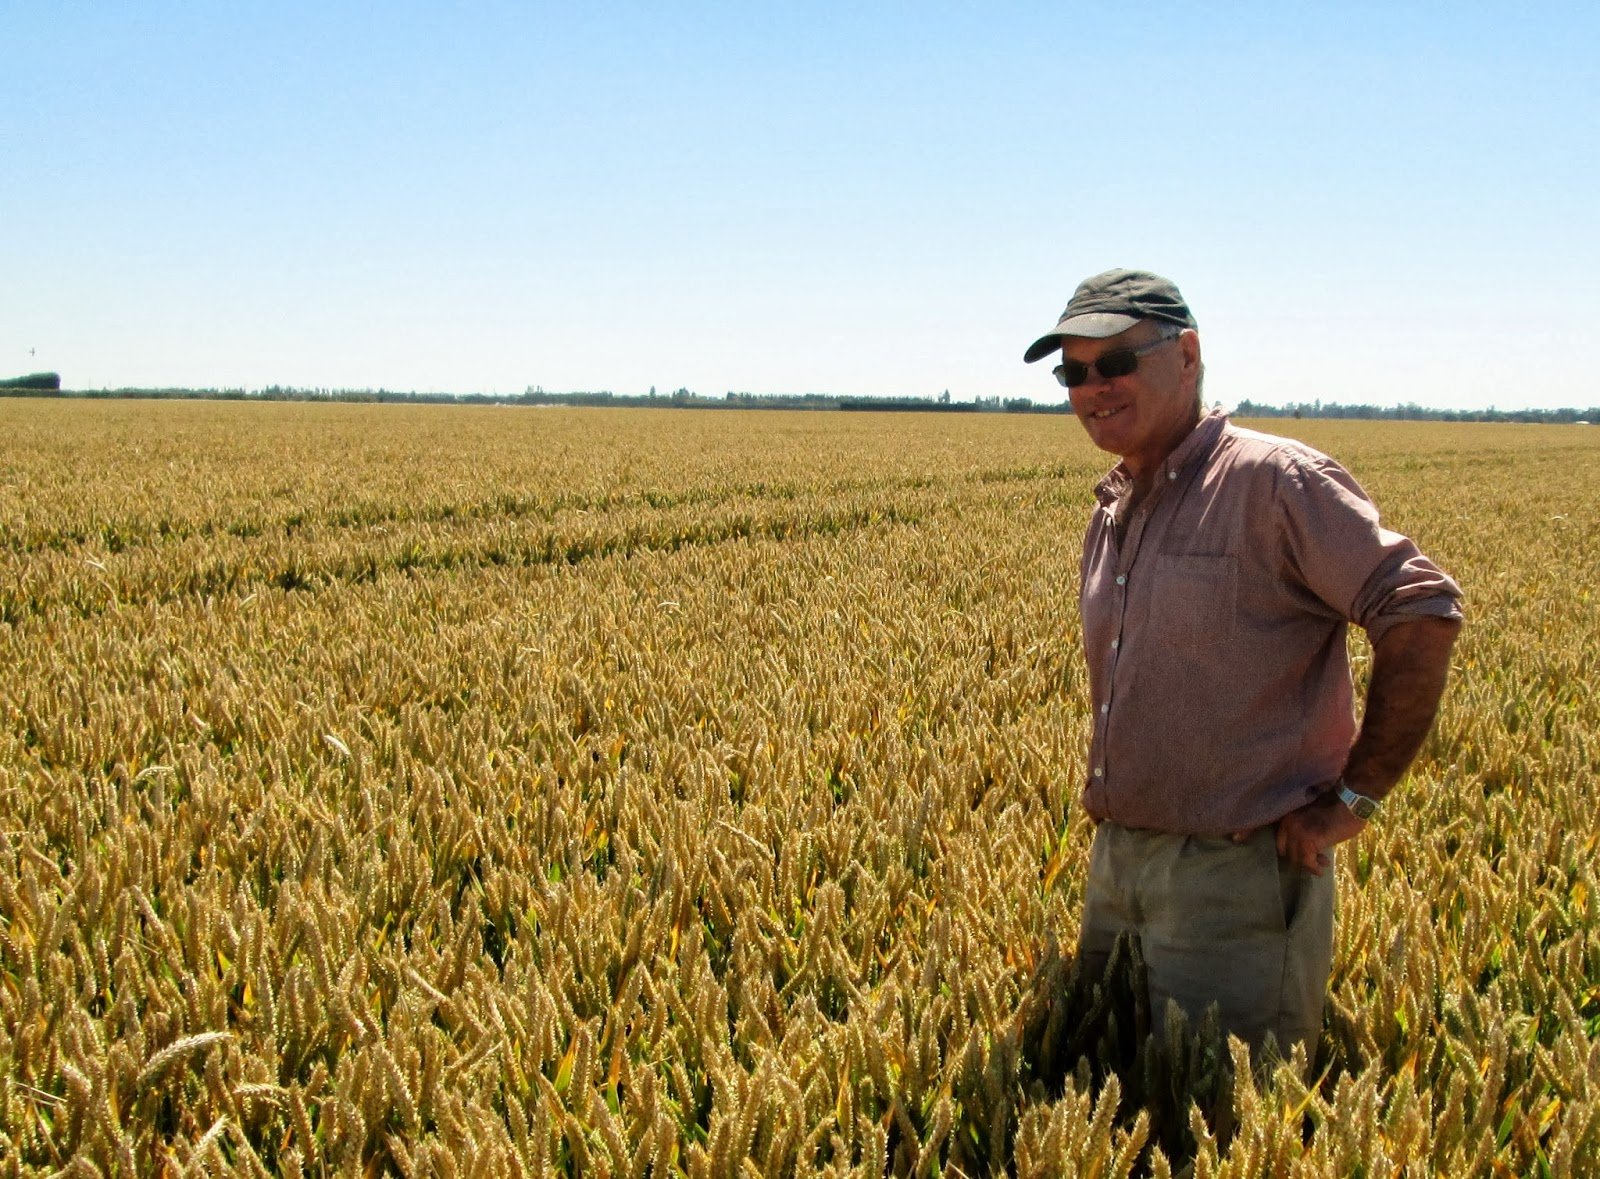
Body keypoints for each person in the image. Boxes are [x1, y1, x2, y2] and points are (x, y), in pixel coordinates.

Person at [1022, 269, 1463, 1061]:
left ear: (1186, 354)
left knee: (1226, 1125)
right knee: (1106, 1099)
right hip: (1118, 862)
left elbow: (1421, 609)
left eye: (1115, 362)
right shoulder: (1114, 505)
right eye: (1074, 372)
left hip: (1238, 880)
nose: (1093, 388)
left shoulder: (1274, 482)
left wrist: (1357, 796)